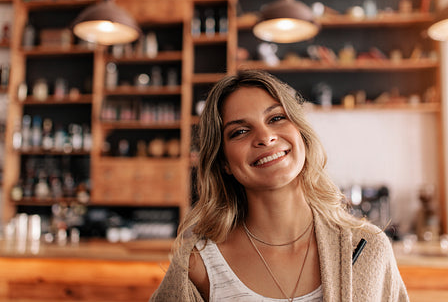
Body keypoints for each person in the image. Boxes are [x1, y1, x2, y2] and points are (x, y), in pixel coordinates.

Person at [150, 69, 409, 302]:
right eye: (240, 131)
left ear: (301, 135)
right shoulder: (199, 266)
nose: (265, 137)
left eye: (276, 118)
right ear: (224, 162)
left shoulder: (367, 248)